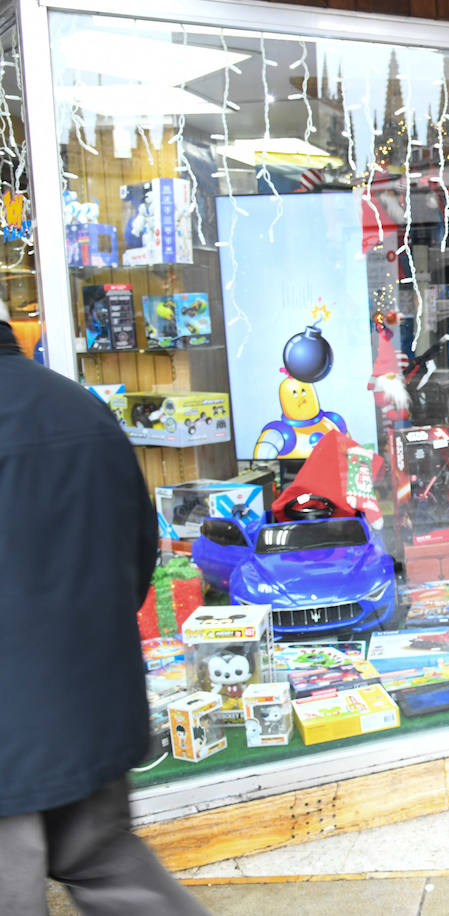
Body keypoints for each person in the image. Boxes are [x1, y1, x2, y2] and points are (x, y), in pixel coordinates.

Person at [0, 317, 209, 914]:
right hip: (90, 699)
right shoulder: (80, 408)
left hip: (11, 737)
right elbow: (138, 550)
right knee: (106, 864)